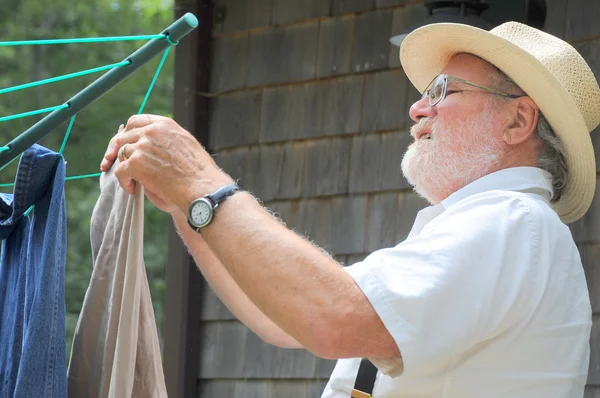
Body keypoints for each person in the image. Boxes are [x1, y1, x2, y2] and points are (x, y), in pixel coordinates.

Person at [101, 21, 600, 397]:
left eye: (443, 91)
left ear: (518, 121)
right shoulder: (497, 228)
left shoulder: (512, 222)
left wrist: (198, 180)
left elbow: (331, 316)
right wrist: (186, 204)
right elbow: (283, 317)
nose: (417, 108)